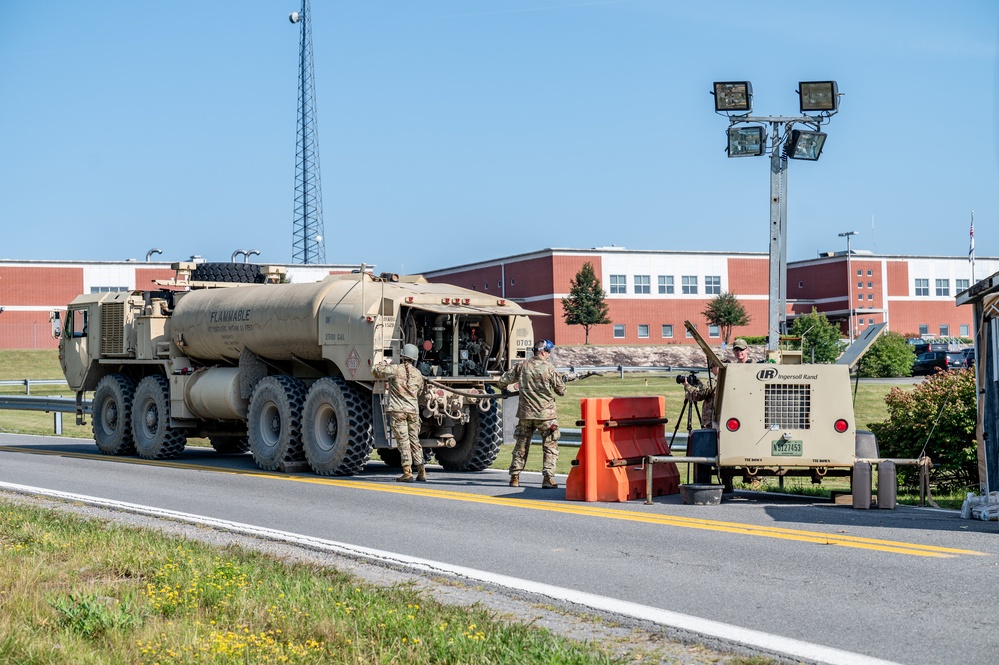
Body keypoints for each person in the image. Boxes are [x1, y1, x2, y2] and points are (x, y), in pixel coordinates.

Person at [496, 339, 566, 489]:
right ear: (543, 352)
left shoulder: (522, 366)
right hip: (545, 416)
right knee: (550, 446)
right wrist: (562, 381)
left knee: (521, 445)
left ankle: (515, 477)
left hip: (525, 415)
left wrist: (505, 391)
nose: (549, 355)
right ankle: (548, 478)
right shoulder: (549, 368)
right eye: (548, 352)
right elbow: (561, 391)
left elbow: (502, 381)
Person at [372, 343, 427, 483]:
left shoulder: (395, 369)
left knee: (403, 442)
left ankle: (407, 473)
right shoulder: (418, 374)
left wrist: (386, 361)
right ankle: (421, 472)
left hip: (398, 411)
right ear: (414, 358)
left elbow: (376, 370)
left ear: (403, 356)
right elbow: (419, 392)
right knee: (415, 441)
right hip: (413, 411)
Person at [682, 338, 752, 427]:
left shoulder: (719, 378)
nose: (739, 352)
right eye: (736, 350)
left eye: (741, 349)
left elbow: (698, 395)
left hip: (716, 421)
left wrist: (687, 386)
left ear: (747, 350)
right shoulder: (733, 369)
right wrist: (699, 384)